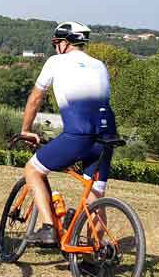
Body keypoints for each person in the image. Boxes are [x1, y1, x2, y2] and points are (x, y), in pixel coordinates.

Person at [20, 22, 117, 245]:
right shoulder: (100, 65)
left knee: (33, 169)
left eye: (57, 43)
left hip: (78, 136)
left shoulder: (55, 62)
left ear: (64, 43)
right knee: (94, 195)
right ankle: (96, 252)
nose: (56, 48)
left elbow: (35, 98)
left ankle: (47, 228)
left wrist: (25, 129)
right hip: (107, 137)